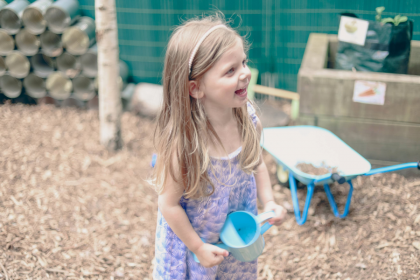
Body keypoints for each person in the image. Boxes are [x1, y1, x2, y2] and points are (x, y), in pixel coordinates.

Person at [151, 13, 287, 279]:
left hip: (237, 239)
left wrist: (269, 202)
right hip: (196, 246)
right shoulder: (185, 146)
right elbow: (168, 205)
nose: (245, 73)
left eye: (244, 63)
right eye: (231, 70)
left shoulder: (248, 120)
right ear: (196, 88)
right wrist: (197, 246)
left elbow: (255, 162)